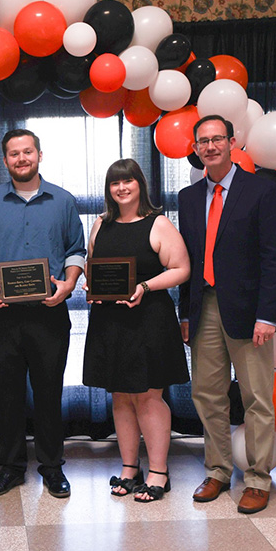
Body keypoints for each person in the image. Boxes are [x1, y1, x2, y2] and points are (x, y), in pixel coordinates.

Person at [0, 128, 86, 499]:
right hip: (2, 313)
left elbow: (76, 251)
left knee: (49, 392)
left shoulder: (62, 201)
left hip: (49, 312)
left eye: (27, 152)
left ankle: (52, 468)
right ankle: (11, 467)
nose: (21, 159)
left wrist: (67, 285)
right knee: (8, 393)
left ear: (39, 155)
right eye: (14, 154)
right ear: (5, 161)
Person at [178, 114, 276, 514]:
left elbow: (274, 259)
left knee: (256, 396)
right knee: (207, 394)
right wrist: (185, 314)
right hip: (202, 305)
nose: (210, 147)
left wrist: (267, 314)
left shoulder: (259, 190)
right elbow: (187, 260)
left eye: (217, 139)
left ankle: (258, 479)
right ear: (195, 148)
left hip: (249, 311)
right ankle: (219, 471)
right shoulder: (188, 198)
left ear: (231, 142)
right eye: (203, 141)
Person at [82, 158, 190, 502]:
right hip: (109, 321)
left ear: (140, 185)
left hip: (149, 320)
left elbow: (181, 269)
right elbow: (92, 266)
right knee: (120, 396)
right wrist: (91, 287)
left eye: (128, 181)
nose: (121, 188)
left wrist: (144, 286)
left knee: (148, 397)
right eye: (115, 183)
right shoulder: (101, 223)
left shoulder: (158, 223)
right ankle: (130, 468)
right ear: (108, 190)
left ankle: (159, 472)